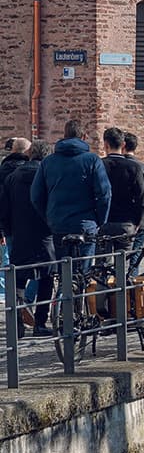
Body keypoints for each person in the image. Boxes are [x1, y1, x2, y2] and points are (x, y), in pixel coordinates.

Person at [32, 120, 111, 270]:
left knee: (64, 270)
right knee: (83, 271)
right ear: (84, 136)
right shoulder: (92, 160)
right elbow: (104, 193)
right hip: (85, 223)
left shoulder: (48, 162)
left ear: (64, 135)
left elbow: (36, 196)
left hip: (58, 222)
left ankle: (65, 284)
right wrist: (100, 220)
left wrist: (49, 217)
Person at [0, 142, 53, 334]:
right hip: (44, 233)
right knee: (47, 277)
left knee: (19, 278)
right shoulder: (47, 175)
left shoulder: (13, 177)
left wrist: (7, 231)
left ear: (30, 154)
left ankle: (17, 324)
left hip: (20, 233)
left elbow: (4, 207)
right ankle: (40, 323)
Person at [102, 126, 144, 273]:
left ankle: (107, 286)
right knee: (132, 259)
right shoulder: (140, 168)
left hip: (108, 220)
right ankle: (130, 282)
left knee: (103, 263)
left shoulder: (103, 165)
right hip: (135, 222)